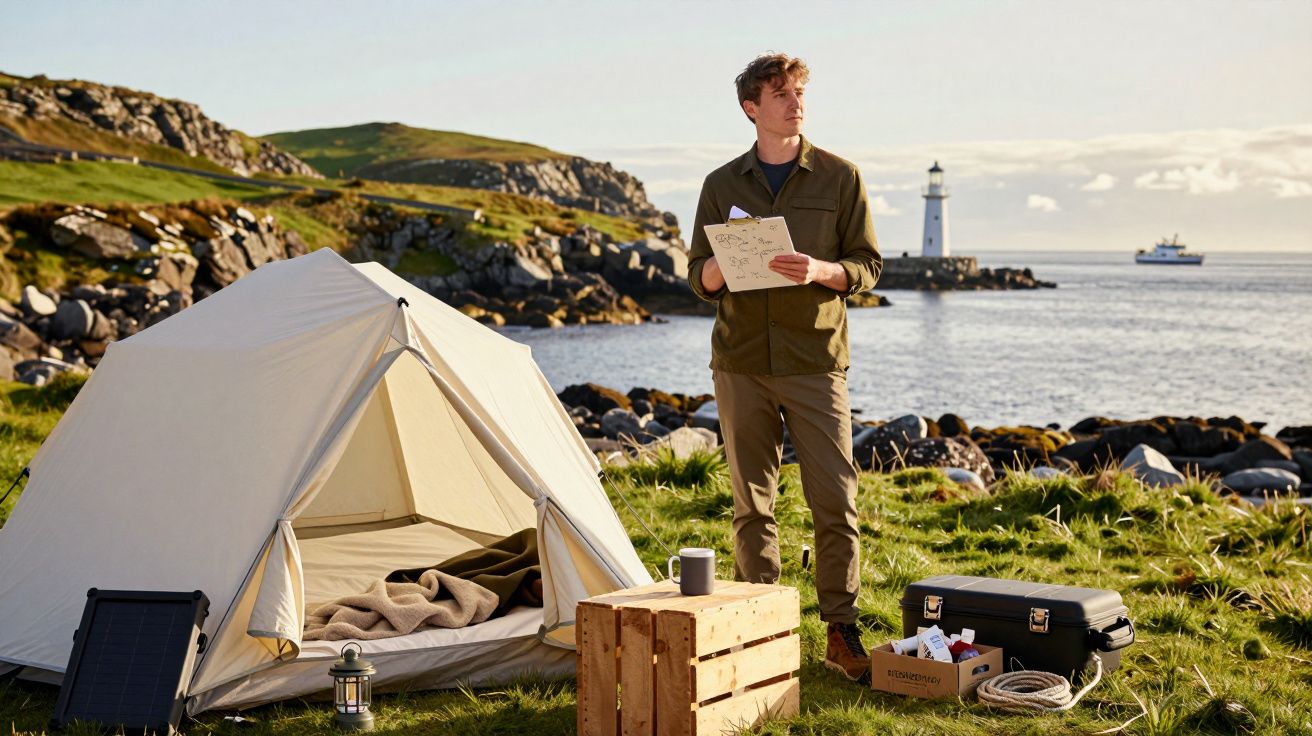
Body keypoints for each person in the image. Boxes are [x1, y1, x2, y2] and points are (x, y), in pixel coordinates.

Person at [686, 52, 882, 681]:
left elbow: (868, 266)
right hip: (741, 361)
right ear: (752, 108)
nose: (796, 103)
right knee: (752, 505)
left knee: (836, 500)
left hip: (814, 361)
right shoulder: (721, 185)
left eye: (799, 92)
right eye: (781, 94)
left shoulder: (841, 177)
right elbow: (697, 277)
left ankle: (841, 632)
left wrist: (821, 270)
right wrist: (717, 269)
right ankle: (758, 628)